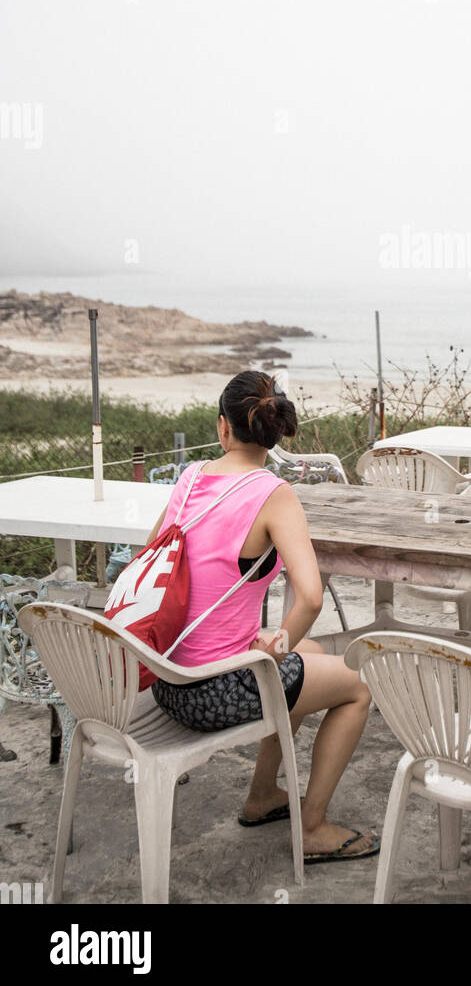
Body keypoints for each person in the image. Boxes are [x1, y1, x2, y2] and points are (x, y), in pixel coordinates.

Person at [147, 370, 378, 864]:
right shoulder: (274, 494)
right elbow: (311, 598)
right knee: (357, 684)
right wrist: (275, 644)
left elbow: (150, 555)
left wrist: (279, 645)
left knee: (304, 655)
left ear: (222, 428)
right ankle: (313, 827)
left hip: (166, 680)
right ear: (272, 435)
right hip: (214, 691)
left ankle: (261, 795)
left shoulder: (188, 481)